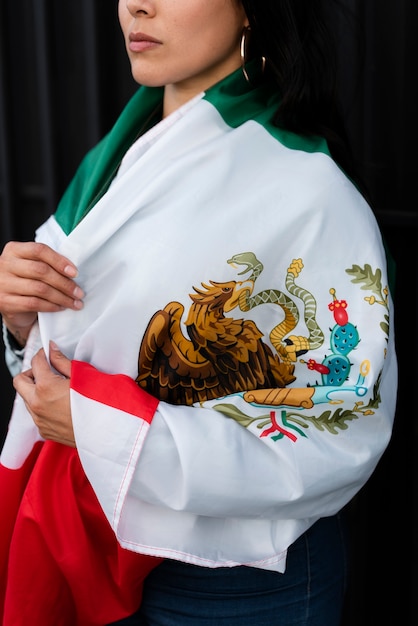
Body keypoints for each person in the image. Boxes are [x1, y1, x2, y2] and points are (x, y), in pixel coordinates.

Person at [0, 0, 397, 624]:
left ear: (251, 9)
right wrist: (24, 316)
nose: (137, 4)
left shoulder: (306, 190)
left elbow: (342, 428)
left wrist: (104, 429)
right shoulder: (115, 165)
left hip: (239, 579)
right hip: (95, 537)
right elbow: (82, 336)